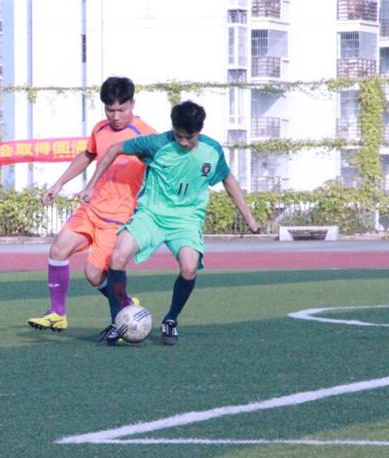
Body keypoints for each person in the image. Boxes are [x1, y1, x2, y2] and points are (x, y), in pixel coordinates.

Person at [79, 100, 262, 346]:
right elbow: (114, 149)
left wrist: (249, 217)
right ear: (173, 128)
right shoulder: (157, 143)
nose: (183, 142)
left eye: (189, 137)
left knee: (189, 267)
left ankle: (171, 319)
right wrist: (91, 185)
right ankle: (117, 321)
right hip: (151, 215)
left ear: (199, 131)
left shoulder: (212, 150)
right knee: (117, 256)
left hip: (186, 219)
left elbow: (228, 179)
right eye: (179, 136)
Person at [27, 77, 157, 332]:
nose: (116, 116)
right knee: (58, 249)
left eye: (122, 109)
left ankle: (126, 305)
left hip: (120, 216)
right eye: (110, 110)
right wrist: (59, 183)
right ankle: (57, 314)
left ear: (133, 103)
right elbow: (88, 155)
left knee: (93, 274)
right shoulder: (100, 129)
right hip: (92, 206)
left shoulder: (148, 135)